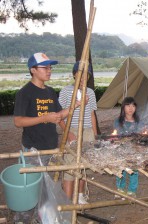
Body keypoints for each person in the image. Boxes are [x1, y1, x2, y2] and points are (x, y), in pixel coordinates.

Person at [13, 52, 80, 223]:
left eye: (50, 67)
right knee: (34, 188)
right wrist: (45, 118)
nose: (49, 71)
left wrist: (76, 105)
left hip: (51, 146)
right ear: (33, 70)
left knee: (48, 186)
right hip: (33, 148)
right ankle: (27, 217)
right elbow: (18, 121)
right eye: (45, 67)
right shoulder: (25, 93)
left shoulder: (50, 92)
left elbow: (58, 115)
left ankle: (44, 217)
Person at [59, 61, 98, 204]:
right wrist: (68, 133)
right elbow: (59, 116)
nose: (82, 79)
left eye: (86, 76)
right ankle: (67, 201)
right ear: (74, 75)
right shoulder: (66, 91)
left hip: (87, 131)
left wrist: (94, 135)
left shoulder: (91, 93)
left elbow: (92, 114)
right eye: (80, 75)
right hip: (72, 130)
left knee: (84, 164)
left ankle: (81, 195)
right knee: (70, 166)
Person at [113, 97, 140, 198]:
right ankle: (120, 189)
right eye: (128, 105)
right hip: (120, 149)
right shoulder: (118, 121)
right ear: (123, 107)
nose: (130, 108)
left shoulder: (138, 122)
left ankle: (132, 190)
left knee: (134, 170)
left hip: (135, 150)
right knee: (121, 169)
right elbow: (116, 136)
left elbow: (141, 135)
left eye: (133, 105)